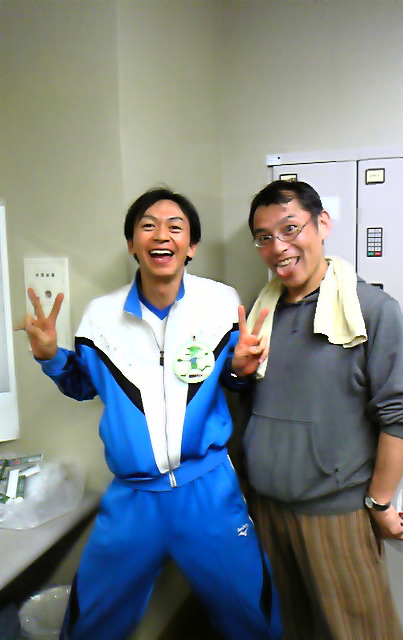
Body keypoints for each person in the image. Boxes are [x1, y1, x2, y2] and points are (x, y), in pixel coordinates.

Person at [19, 187, 282, 640]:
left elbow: (233, 380)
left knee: (254, 620)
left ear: (191, 246)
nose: (162, 235)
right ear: (132, 244)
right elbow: (85, 385)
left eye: (175, 227)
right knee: (90, 625)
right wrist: (51, 357)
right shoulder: (100, 318)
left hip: (208, 491)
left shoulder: (220, 304)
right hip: (133, 498)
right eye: (148, 226)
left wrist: (240, 371)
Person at [227, 180, 403, 640]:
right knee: (291, 629)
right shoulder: (260, 315)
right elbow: (249, 407)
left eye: (290, 229)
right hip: (267, 510)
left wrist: (380, 503)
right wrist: (237, 374)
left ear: (322, 224)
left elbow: (402, 412)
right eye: (264, 237)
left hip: (336, 515)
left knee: (358, 631)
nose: (279, 247)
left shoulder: (370, 309)